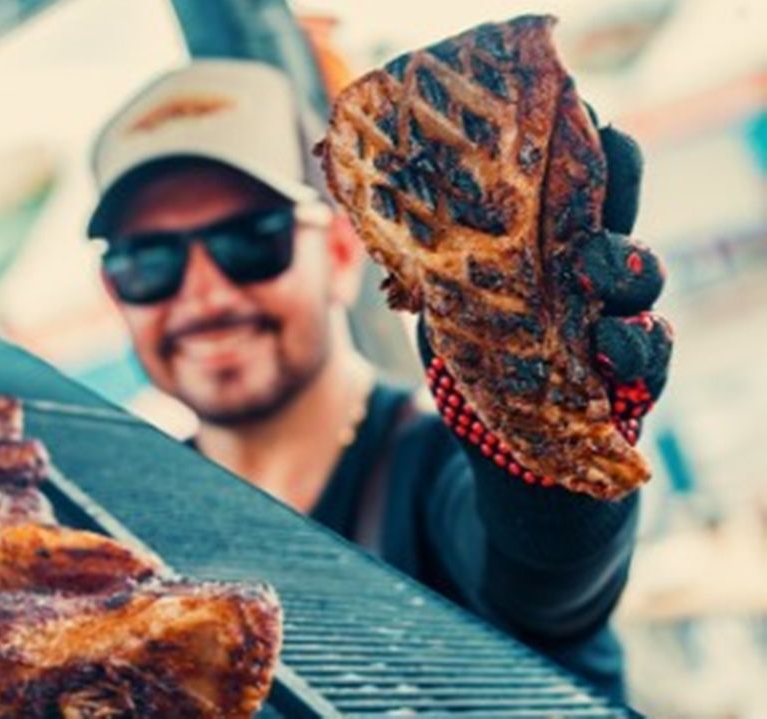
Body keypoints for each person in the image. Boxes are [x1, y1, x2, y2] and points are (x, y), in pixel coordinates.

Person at [85, 59, 672, 701]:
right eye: (150, 260)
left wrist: (546, 476)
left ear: (339, 255)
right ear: (115, 292)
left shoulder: (440, 472)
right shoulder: (122, 540)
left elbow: (545, 589)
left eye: (251, 241)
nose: (203, 296)